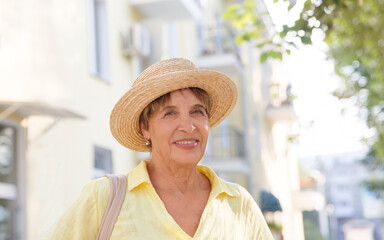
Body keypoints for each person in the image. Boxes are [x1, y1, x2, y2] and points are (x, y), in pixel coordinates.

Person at [44, 58, 274, 239]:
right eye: (170, 113)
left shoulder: (238, 204)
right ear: (145, 128)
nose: (188, 126)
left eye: (197, 111)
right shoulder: (104, 198)